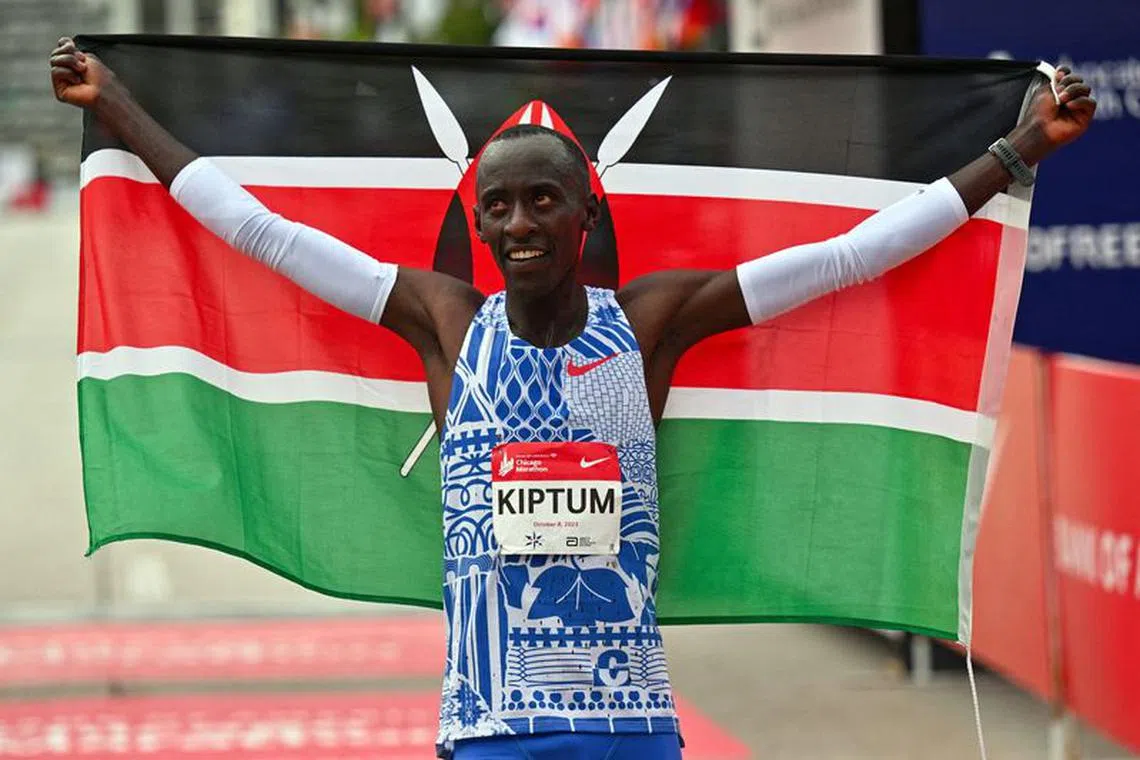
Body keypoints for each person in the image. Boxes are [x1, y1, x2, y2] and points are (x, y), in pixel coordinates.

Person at [50, 37, 1094, 759]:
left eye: (542, 198)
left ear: (586, 210)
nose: (517, 223)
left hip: (628, 725)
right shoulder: (445, 322)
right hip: (488, 725)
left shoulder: (645, 324)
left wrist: (1016, 152)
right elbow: (261, 232)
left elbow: (848, 257)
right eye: (496, 204)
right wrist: (119, 108)